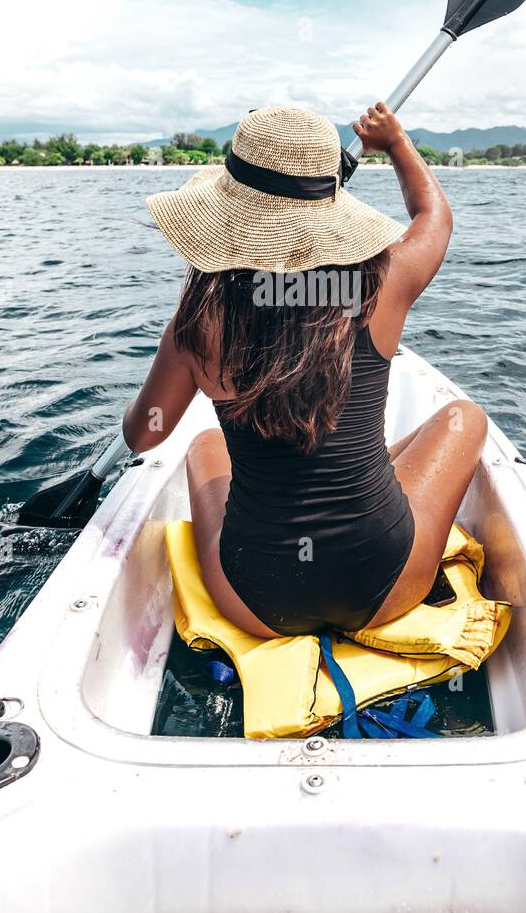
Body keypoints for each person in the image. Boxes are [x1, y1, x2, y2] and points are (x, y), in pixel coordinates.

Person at [123, 102, 487, 639]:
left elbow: (143, 436)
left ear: (225, 213)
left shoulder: (198, 322)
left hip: (256, 605)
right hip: (386, 588)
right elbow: (434, 218)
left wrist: (161, 383)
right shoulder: (385, 285)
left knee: (203, 444)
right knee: (464, 417)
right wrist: (396, 143)